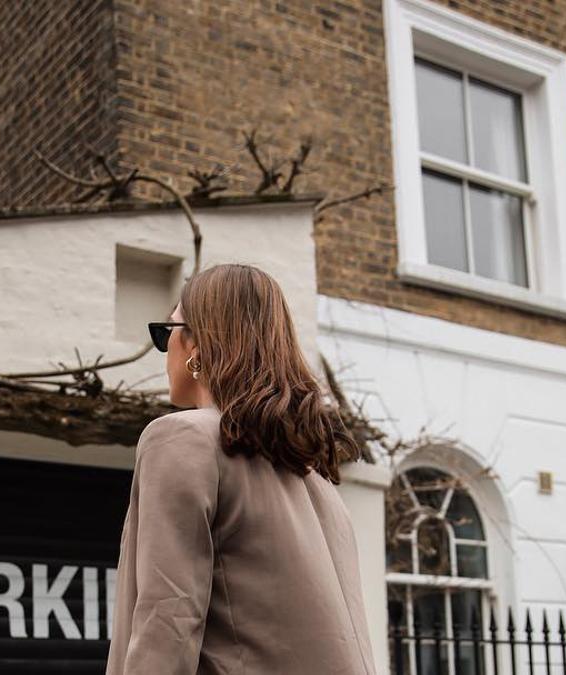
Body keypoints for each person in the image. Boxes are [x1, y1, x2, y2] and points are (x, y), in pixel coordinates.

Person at [105, 263, 377, 674]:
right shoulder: (316, 479)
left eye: (168, 332)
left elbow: (168, 620)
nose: (166, 351)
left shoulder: (182, 439)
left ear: (196, 345)